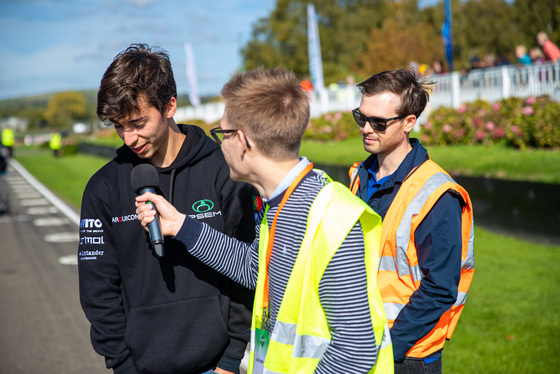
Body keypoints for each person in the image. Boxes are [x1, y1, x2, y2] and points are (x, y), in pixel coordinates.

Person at [136, 67, 393, 373]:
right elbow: (255, 269)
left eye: (222, 134)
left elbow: (355, 352)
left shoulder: (332, 217)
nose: (219, 145)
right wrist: (181, 225)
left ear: (242, 142)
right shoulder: (279, 204)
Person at [78, 43, 257, 374]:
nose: (129, 137)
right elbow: (98, 290)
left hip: (217, 365)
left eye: (137, 122)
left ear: (170, 105)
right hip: (138, 367)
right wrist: (123, 364)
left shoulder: (225, 169)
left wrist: (231, 358)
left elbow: (249, 267)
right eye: (119, 125)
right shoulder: (102, 188)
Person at [348, 68, 474, 374]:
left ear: (409, 122)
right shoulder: (357, 176)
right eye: (360, 117)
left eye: (378, 122)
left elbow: (441, 287)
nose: (366, 128)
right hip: (361, 345)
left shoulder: (437, 192)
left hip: (407, 356)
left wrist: (390, 347)